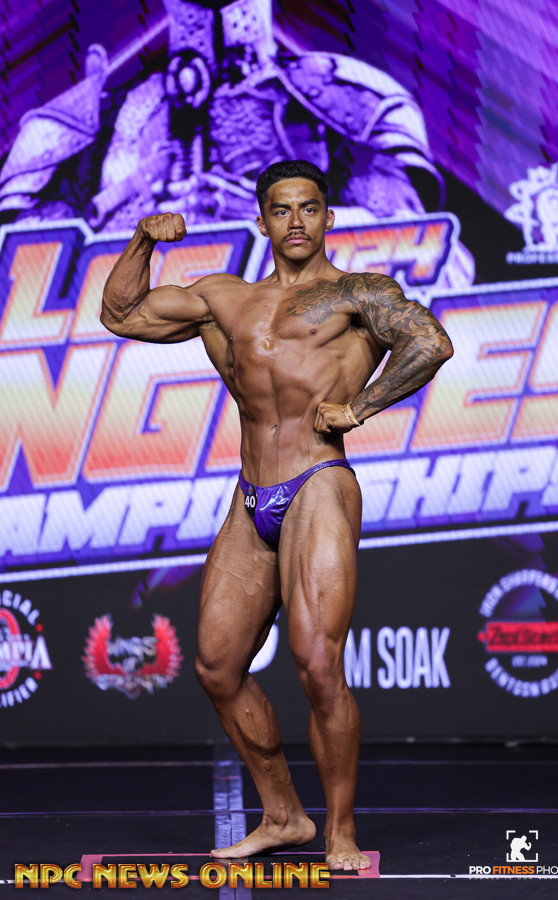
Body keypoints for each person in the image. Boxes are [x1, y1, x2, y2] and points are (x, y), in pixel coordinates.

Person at [101, 159, 453, 871]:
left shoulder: (357, 294)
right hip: (251, 495)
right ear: (261, 220)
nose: (297, 221)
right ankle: (285, 815)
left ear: (328, 217)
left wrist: (360, 407)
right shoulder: (222, 299)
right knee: (216, 666)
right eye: (283, 209)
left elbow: (430, 341)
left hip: (318, 481)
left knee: (318, 665)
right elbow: (120, 314)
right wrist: (142, 240)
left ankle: (340, 833)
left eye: (310, 208)